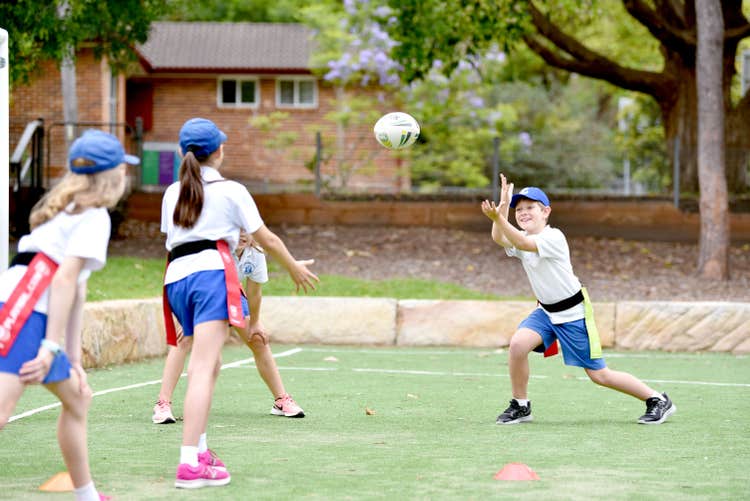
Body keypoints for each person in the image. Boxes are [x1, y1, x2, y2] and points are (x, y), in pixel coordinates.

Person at [162, 117, 318, 489]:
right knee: (203, 368)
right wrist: (294, 268)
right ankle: (189, 463)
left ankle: (199, 451)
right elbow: (269, 239)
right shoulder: (231, 190)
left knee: (209, 364)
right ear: (218, 151)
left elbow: (175, 240)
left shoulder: (172, 191)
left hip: (175, 279)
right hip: (210, 275)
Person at [0, 130, 139, 501]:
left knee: (77, 399)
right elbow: (61, 281)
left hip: (30, 310)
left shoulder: (62, 210)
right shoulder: (94, 217)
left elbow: (76, 288)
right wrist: (47, 347)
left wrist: (73, 360)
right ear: (114, 175)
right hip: (23, 312)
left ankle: (87, 495)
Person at [480, 174, 676, 426]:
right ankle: (521, 405)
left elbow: (520, 241)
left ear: (546, 212)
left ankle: (657, 399)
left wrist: (499, 217)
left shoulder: (553, 237)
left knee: (599, 375)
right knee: (518, 345)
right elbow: (500, 238)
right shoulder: (522, 236)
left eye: (530, 208)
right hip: (545, 312)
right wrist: (503, 206)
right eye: (519, 209)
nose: (523, 212)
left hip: (573, 313)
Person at [152, 232, 305, 425]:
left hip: (232, 292)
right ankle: (163, 404)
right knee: (183, 339)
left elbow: (254, 292)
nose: (242, 234)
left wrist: (255, 323)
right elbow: (187, 279)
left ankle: (281, 399)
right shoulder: (212, 250)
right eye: (236, 228)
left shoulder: (255, 254)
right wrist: (183, 319)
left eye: (245, 229)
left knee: (258, 340)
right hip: (202, 290)